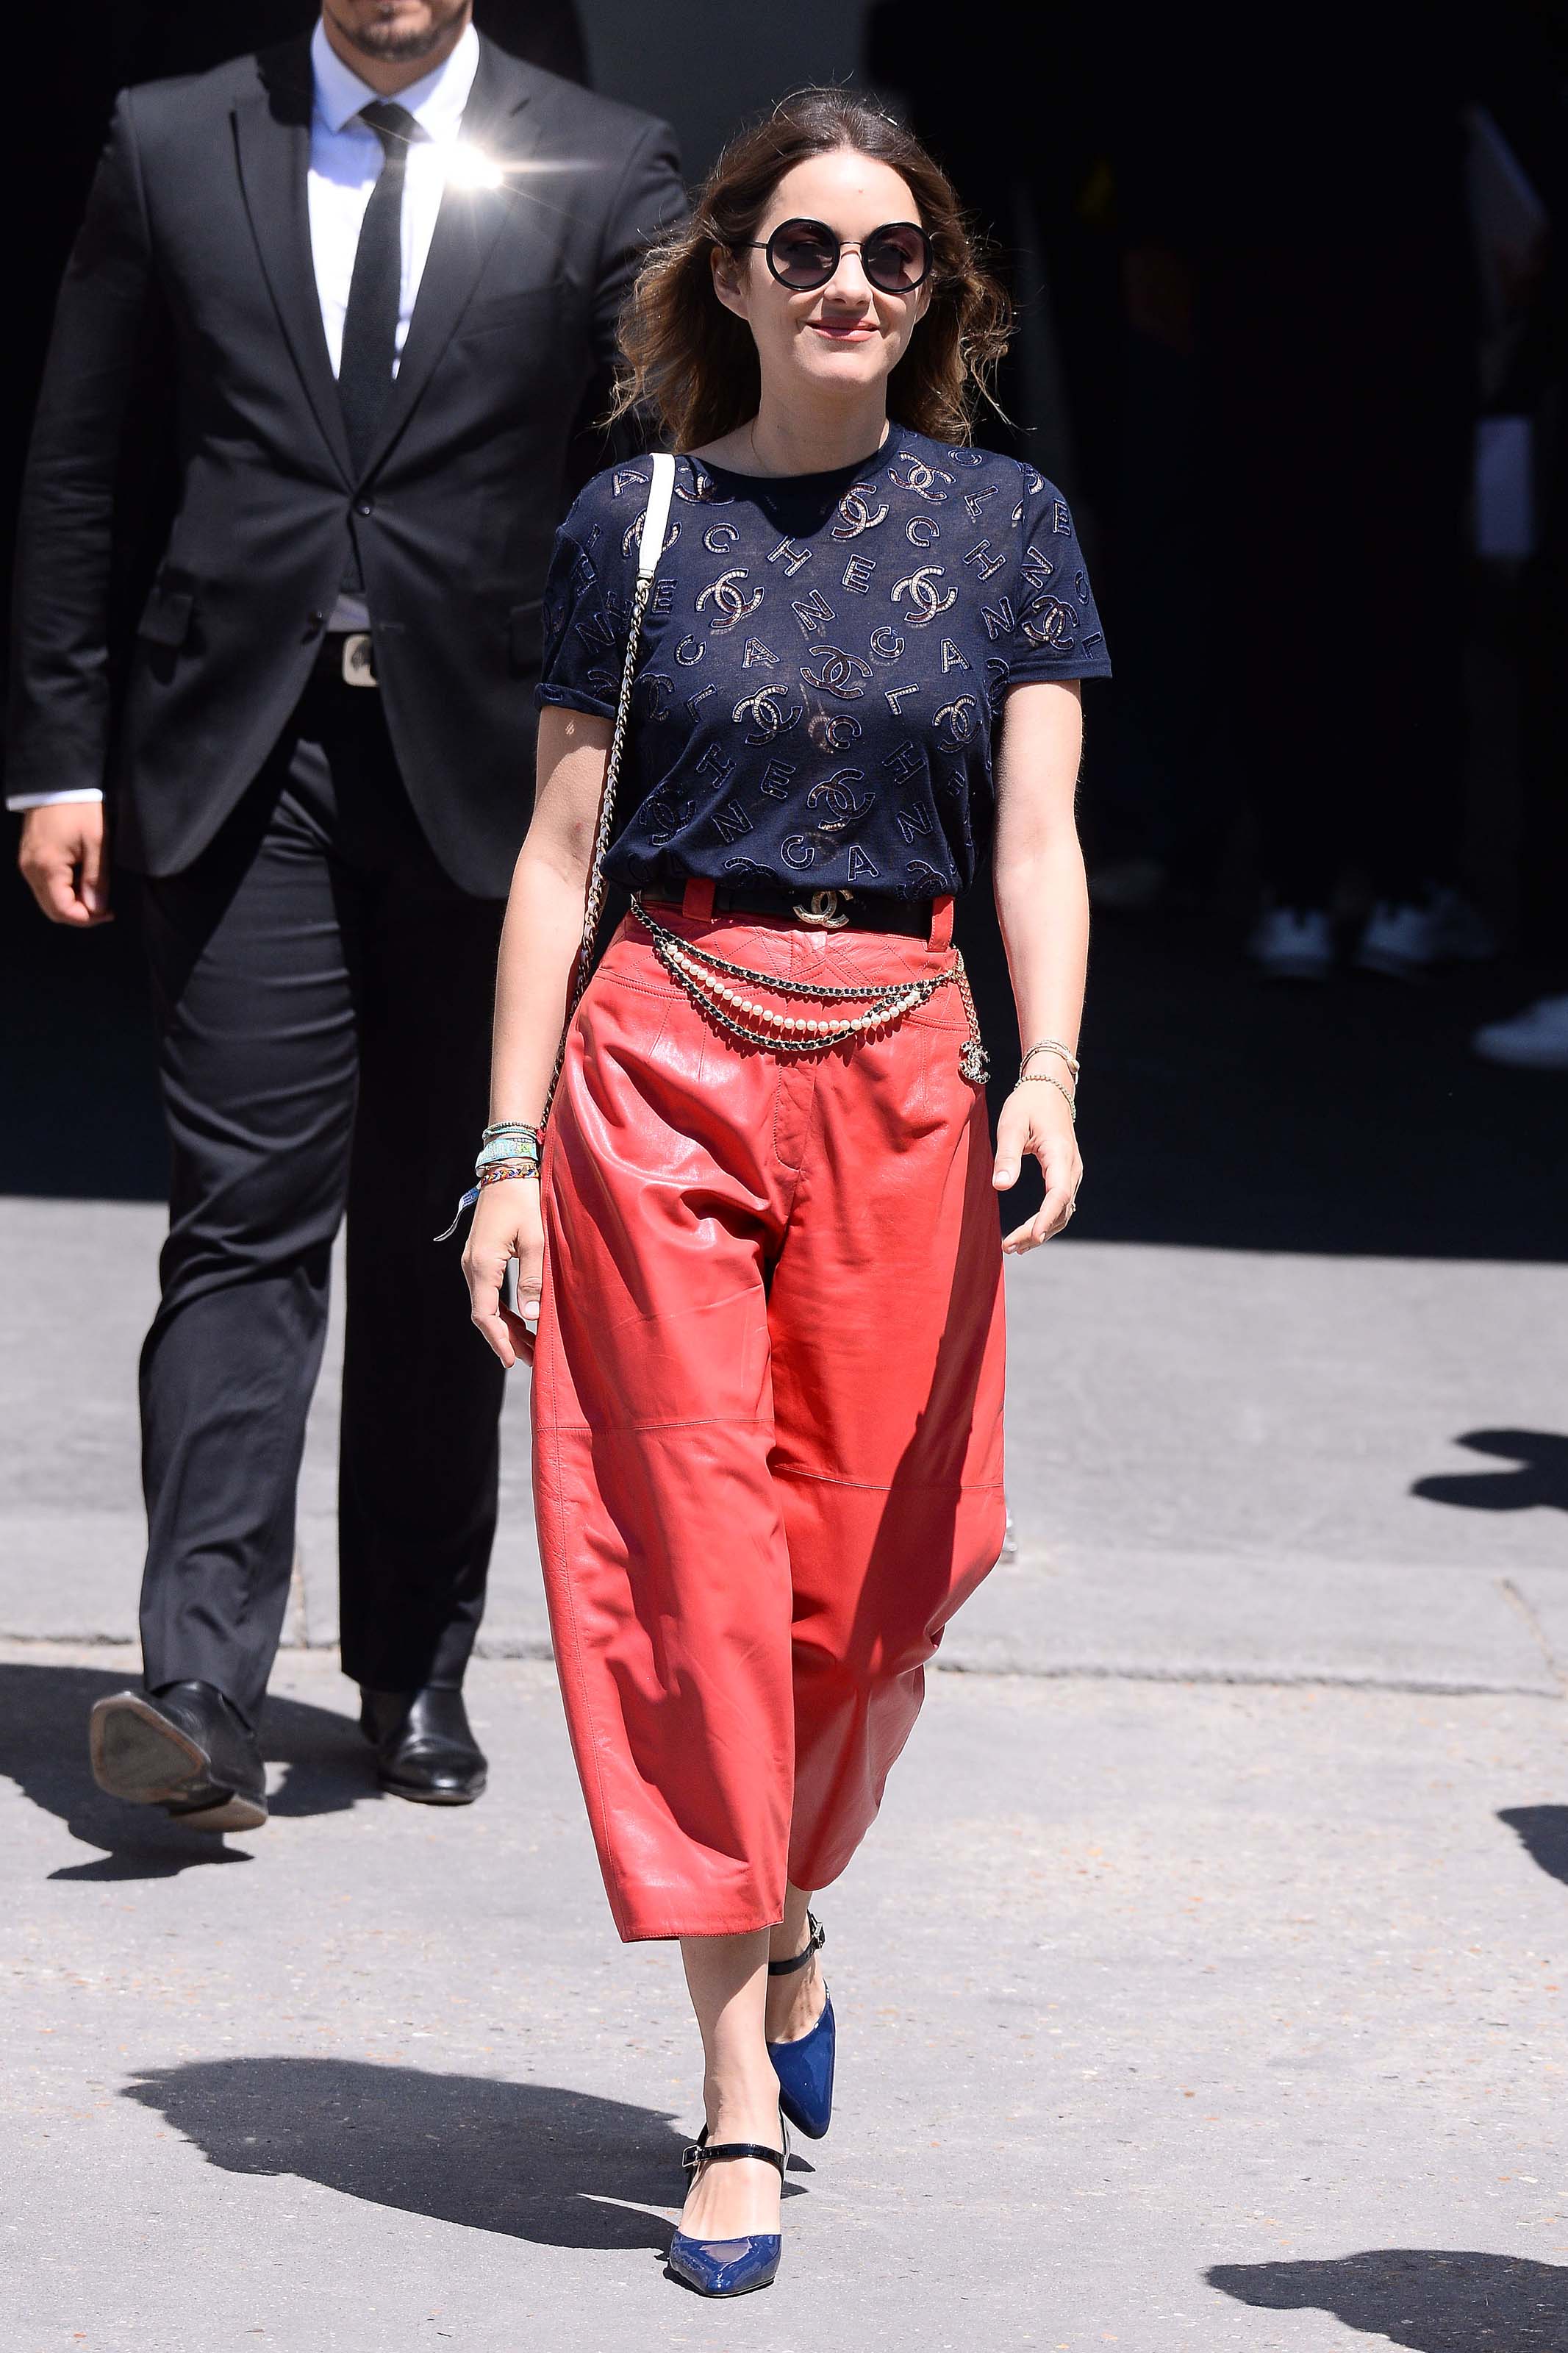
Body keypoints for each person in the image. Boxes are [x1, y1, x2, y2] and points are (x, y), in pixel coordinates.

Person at [459, 89, 1109, 2296]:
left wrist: (1051, 1071)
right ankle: (729, 2093)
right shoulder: (626, 524)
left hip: (907, 1075)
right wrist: (506, 1149)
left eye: (895, 256)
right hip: (654, 1052)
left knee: (880, 1583)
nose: (850, 288)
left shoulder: (1008, 523)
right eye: (807, 250)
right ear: (728, 272)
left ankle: (788, 1903)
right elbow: (555, 864)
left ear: (938, 291)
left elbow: (1034, 842)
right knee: (685, 1579)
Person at [7, 0, 682, 1832]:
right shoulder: (168, 140)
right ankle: (201, 1687)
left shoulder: (601, 163)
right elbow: (82, 460)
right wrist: (54, 751)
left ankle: (412, 1663)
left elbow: (655, 479)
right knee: (240, 1219)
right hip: (239, 758)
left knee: (439, 1226)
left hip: (495, 770)